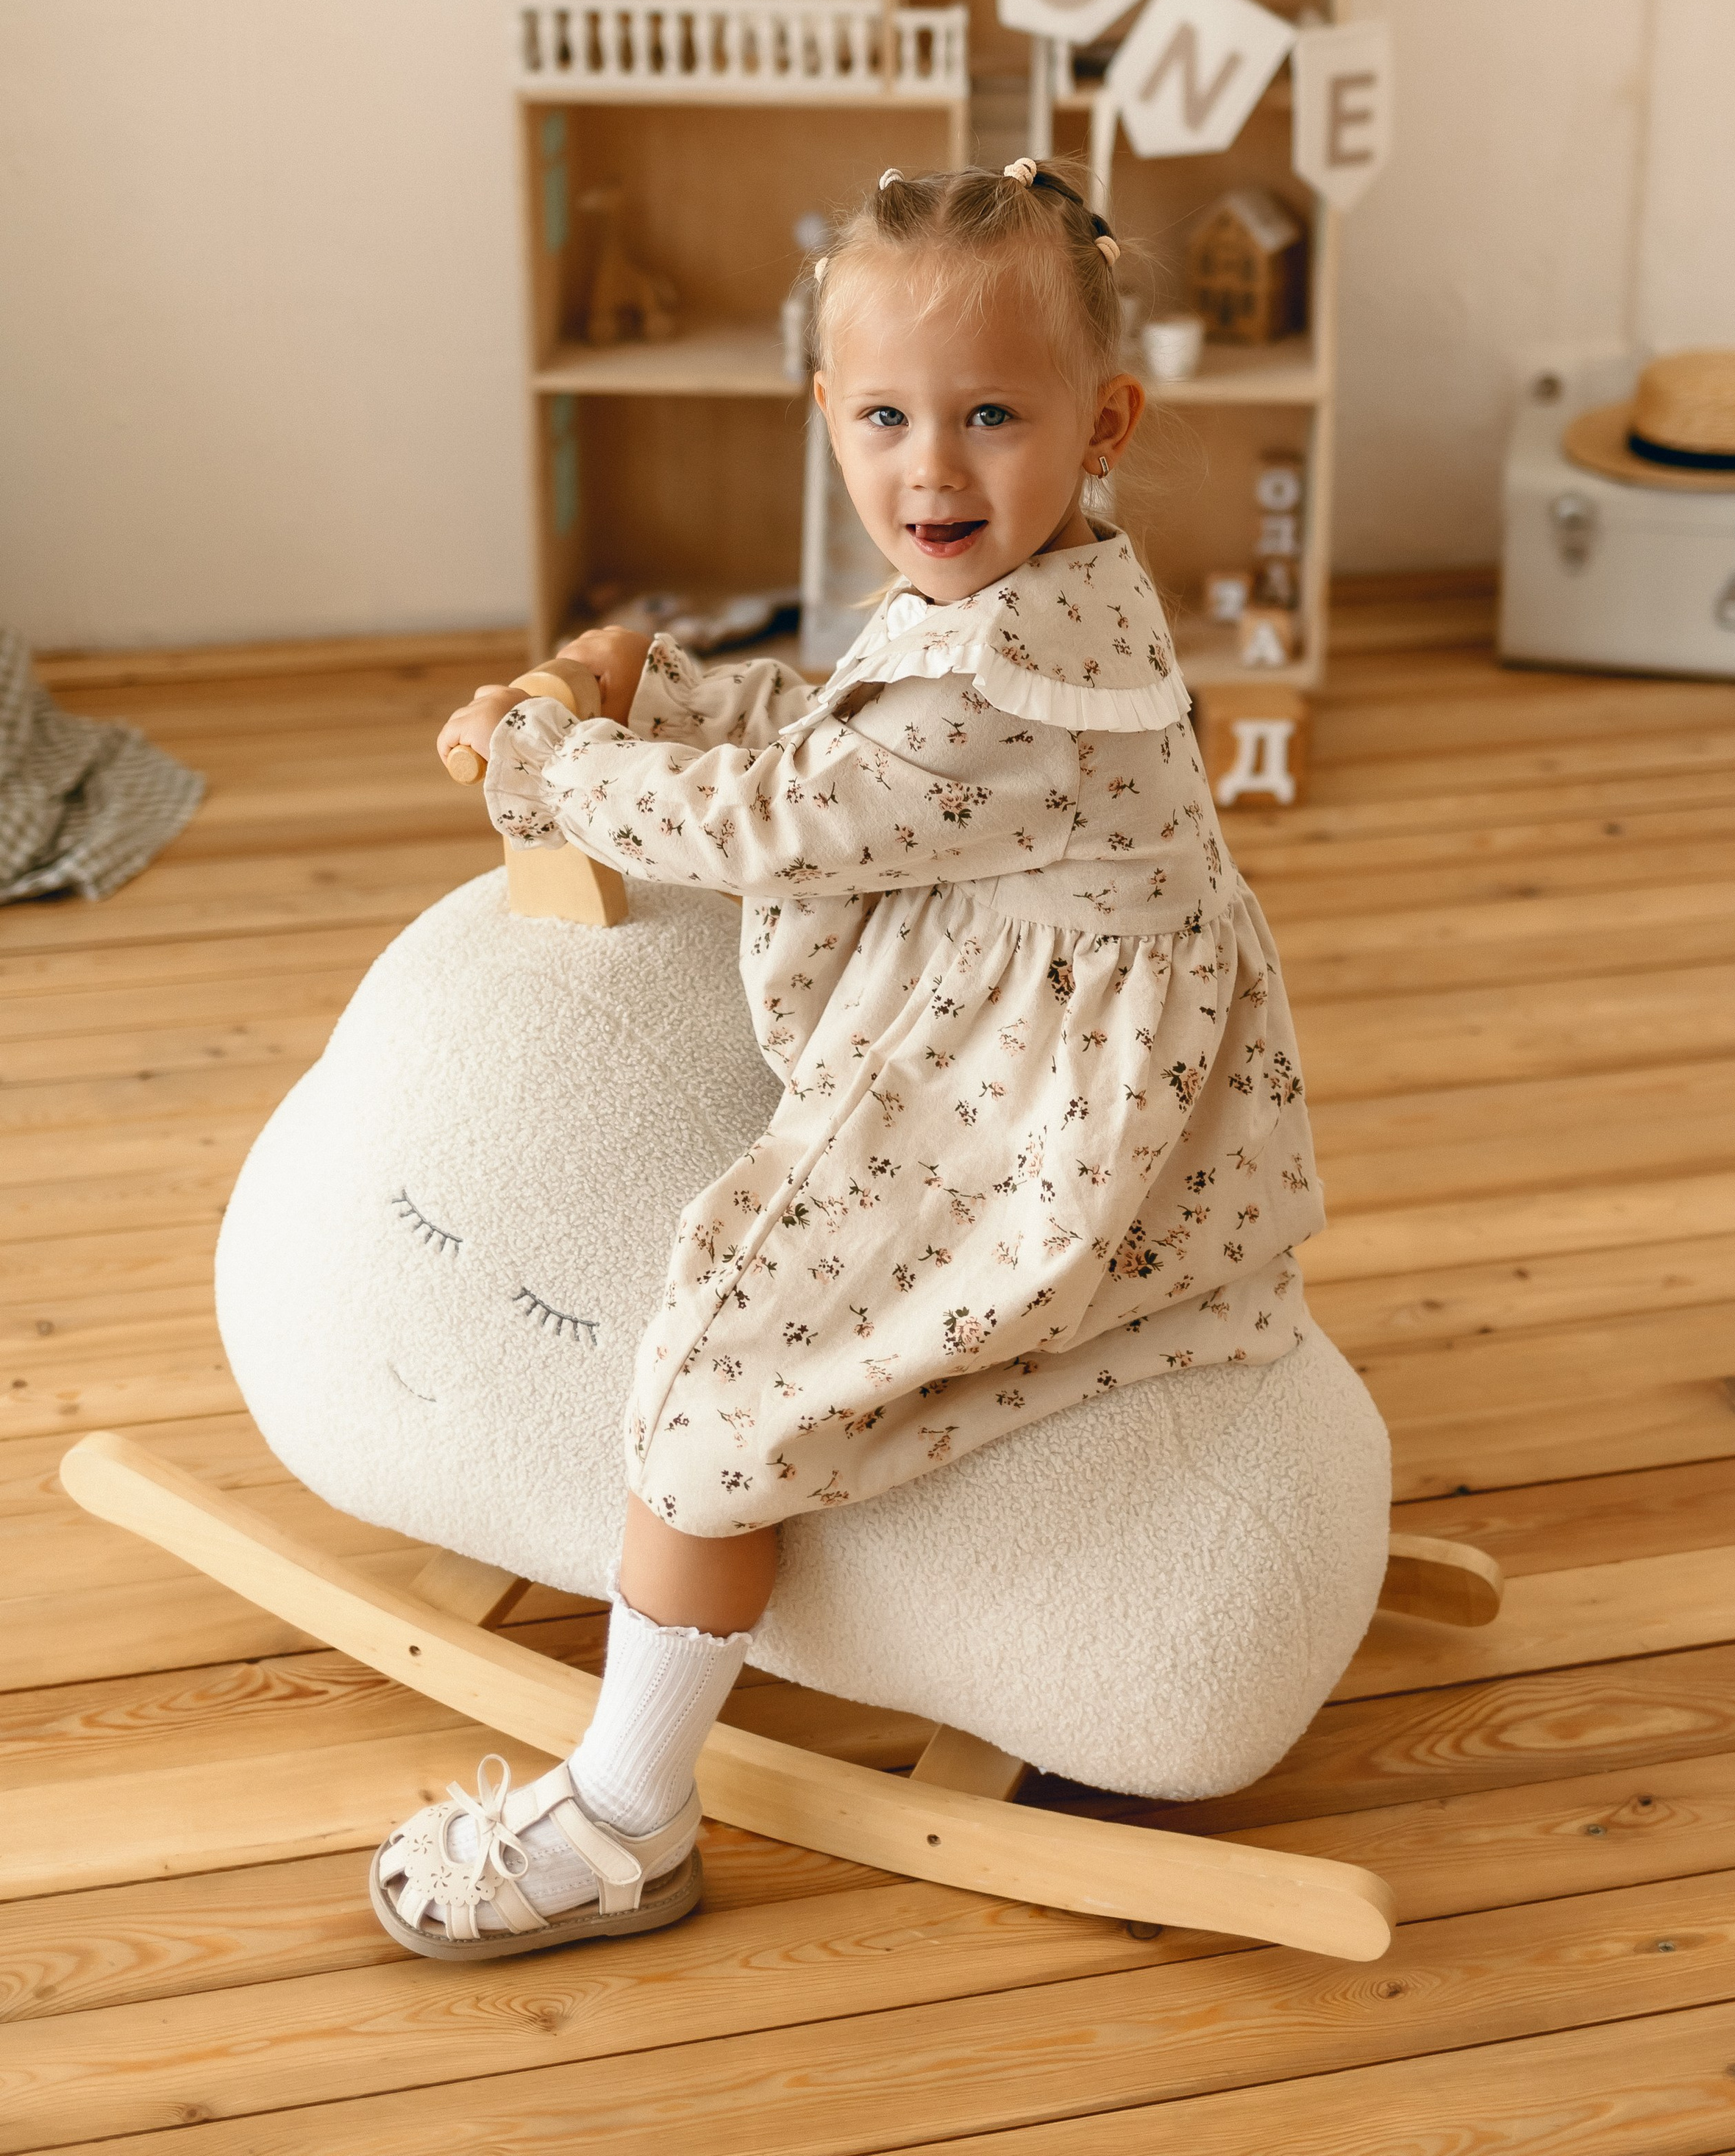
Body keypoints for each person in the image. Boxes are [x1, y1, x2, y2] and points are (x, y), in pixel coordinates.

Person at [369, 159, 1323, 1959]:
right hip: (1053, 1006)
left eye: (989, 417)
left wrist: (550, 767)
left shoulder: (1020, 679)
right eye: (885, 417)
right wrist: (652, 680)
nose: (932, 470)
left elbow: (789, 812)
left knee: (715, 1379)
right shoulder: (1030, 592)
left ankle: (631, 1817)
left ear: (1101, 423)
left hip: (1031, 1101)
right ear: (829, 417)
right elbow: (836, 722)